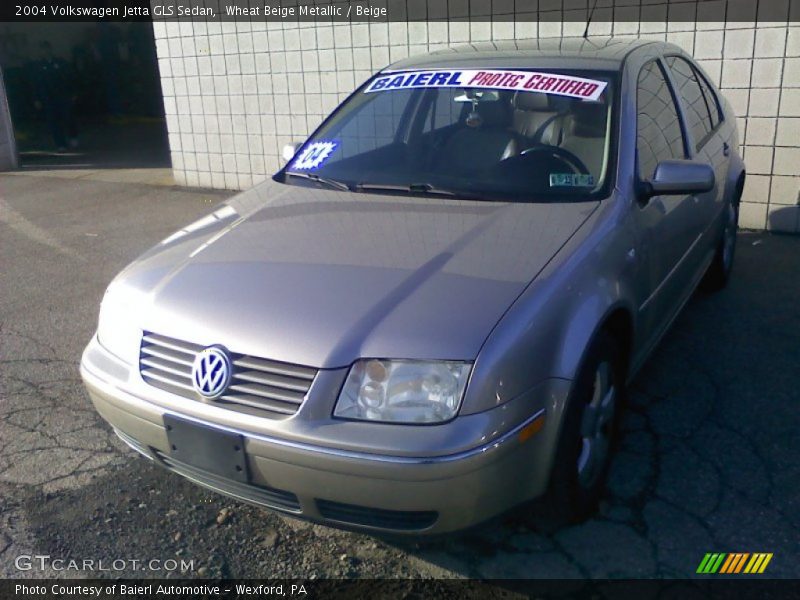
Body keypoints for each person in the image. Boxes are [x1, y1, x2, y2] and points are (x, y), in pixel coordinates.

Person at [32, 41, 78, 151]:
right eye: (42, 50)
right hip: (48, 98)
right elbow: (36, 83)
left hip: (63, 95)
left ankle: (73, 136)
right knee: (53, 122)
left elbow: (70, 78)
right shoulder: (38, 66)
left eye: (47, 49)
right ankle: (60, 144)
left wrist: (73, 92)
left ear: (50, 50)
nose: (45, 52)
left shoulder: (61, 62)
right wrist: (36, 99)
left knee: (68, 117)